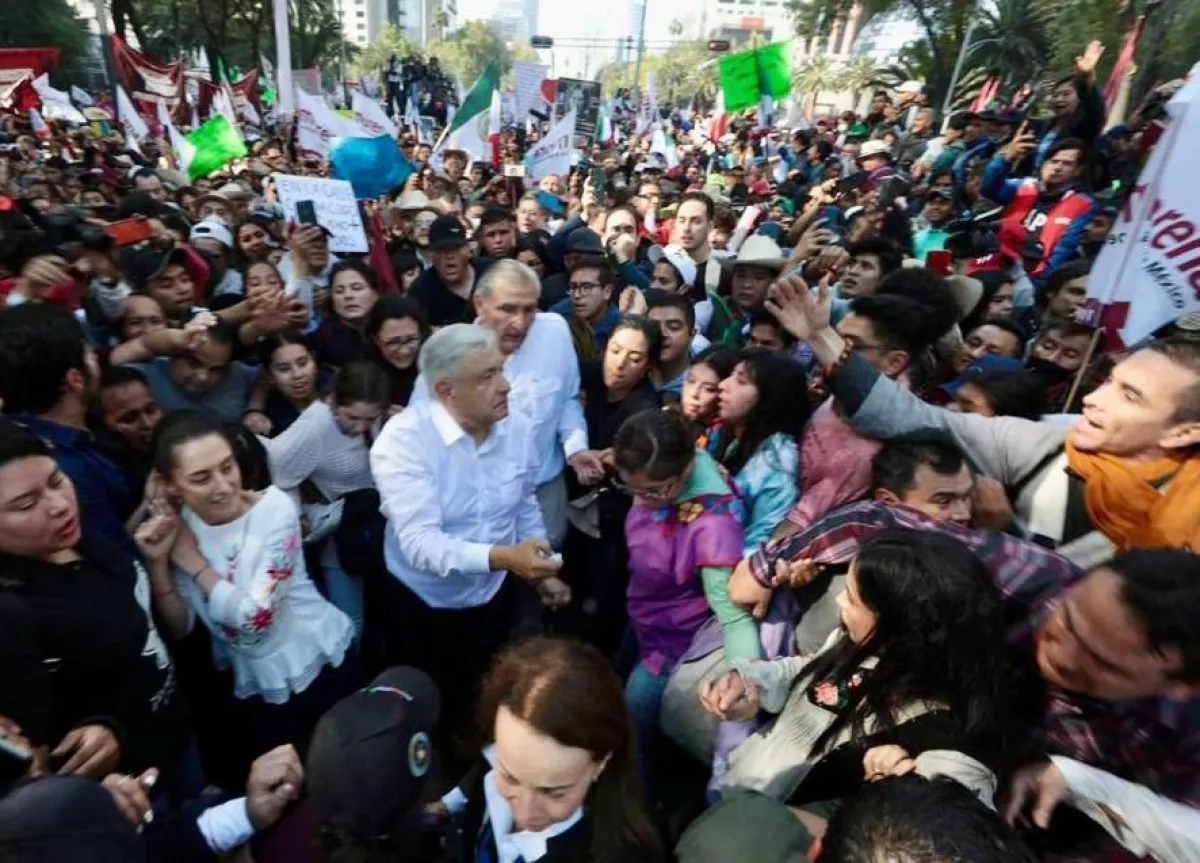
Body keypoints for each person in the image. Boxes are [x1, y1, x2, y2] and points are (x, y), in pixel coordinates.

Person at [768, 274, 1200, 565]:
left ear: (1185, 430)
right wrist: (821, 337)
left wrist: (1004, 536)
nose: (1093, 401)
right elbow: (908, 417)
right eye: (1107, 382)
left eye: (1129, 396)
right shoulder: (1047, 443)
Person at [703, 530, 1010, 833]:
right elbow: (809, 673)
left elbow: (957, 834)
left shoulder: (942, 743)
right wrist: (753, 683)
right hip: (745, 803)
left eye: (851, 597)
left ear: (900, 625)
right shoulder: (860, 645)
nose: (839, 600)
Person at [368, 325, 566, 738]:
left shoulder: (517, 426)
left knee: (482, 690)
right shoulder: (403, 443)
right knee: (425, 700)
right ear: (446, 390)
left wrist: (541, 567)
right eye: (486, 377)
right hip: (423, 602)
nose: (505, 386)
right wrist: (505, 558)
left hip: (491, 599)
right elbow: (421, 544)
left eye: (501, 370)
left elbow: (524, 498)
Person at [140, 411, 357, 771]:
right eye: (201, 478)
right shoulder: (181, 529)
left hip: (315, 666)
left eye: (227, 467)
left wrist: (194, 564)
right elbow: (183, 626)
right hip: (256, 683)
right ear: (171, 485)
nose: (223, 486)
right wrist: (158, 564)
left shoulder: (274, 511)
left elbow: (258, 618)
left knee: (342, 770)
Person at [0, 422, 188, 788]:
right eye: (25, 504)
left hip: (178, 729)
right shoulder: (11, 615)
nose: (58, 506)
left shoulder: (72, 537)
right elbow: (32, 750)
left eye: (56, 481)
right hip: (136, 786)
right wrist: (100, 729)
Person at [614, 410, 752, 792]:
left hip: (674, 642)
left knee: (632, 724)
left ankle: (639, 806)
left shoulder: (713, 528)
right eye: (632, 490)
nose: (640, 502)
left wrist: (744, 676)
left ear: (687, 468)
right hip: (644, 613)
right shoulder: (666, 455)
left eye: (654, 492)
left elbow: (735, 617)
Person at [444, 637, 663, 863]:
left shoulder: (624, 855)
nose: (524, 815)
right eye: (509, 777)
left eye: (555, 793)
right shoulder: (496, 761)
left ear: (602, 762)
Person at [261, 363, 389, 634]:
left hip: (375, 521)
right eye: (352, 418)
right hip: (340, 533)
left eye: (370, 419)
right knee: (349, 619)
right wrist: (298, 517)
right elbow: (281, 477)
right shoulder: (313, 427)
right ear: (333, 401)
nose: (361, 427)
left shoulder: (374, 419)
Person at [0, 303, 139, 552]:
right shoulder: (64, 473)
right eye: (90, 355)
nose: (97, 360)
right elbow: (120, 557)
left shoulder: (84, 426)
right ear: (75, 379)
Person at [713, 351, 809, 553]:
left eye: (741, 381)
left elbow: (756, 547)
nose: (722, 386)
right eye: (731, 375)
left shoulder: (777, 466)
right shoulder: (732, 434)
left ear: (771, 397)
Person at [983, 134, 1096, 289]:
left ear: (1078, 170)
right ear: (1043, 164)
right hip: (992, 261)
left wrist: (1033, 286)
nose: (1057, 167)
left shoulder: (1083, 204)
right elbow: (988, 188)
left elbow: (1062, 251)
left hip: (1029, 277)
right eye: (1054, 161)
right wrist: (1005, 158)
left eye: (1067, 164)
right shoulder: (1022, 185)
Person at [114, 315, 258, 424]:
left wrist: (255, 409)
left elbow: (266, 378)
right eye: (194, 363)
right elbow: (114, 360)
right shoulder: (143, 379)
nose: (203, 377)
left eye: (216, 370)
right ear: (174, 352)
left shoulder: (236, 373)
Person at [407, 215, 486, 326]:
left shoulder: (492, 272)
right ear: (431, 255)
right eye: (441, 250)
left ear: (468, 249)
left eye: (455, 248)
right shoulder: (420, 292)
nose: (449, 256)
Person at [97, 365, 164, 492]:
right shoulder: (110, 477)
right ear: (106, 424)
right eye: (129, 418)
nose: (147, 424)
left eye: (150, 410)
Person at [712, 235, 787, 345]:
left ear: (773, 282)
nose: (747, 285)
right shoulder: (711, 308)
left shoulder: (784, 320)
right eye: (740, 276)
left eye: (759, 277)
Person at [365, 294, 429, 410]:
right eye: (393, 343)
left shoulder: (436, 362)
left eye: (411, 340)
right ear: (376, 339)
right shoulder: (364, 374)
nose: (404, 351)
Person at [253, 332, 323, 436]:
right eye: (284, 369)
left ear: (314, 360)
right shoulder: (268, 419)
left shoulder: (337, 389)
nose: (297, 374)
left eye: (303, 363)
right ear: (269, 375)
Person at [314, 260, 380, 367]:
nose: (348, 295)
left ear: (375, 294)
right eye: (339, 291)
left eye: (356, 288)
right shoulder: (321, 340)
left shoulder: (388, 329)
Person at [555, 255, 620, 360]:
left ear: (607, 291)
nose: (576, 295)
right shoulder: (558, 316)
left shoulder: (620, 327)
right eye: (573, 287)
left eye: (587, 287)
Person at [681, 346, 739, 440]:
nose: (694, 393)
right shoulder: (666, 416)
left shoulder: (721, 436)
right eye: (691, 381)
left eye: (709, 389)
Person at [646, 290, 694, 397]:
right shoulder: (633, 371)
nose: (662, 333)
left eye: (673, 327)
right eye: (654, 326)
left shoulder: (700, 384)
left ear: (692, 334)